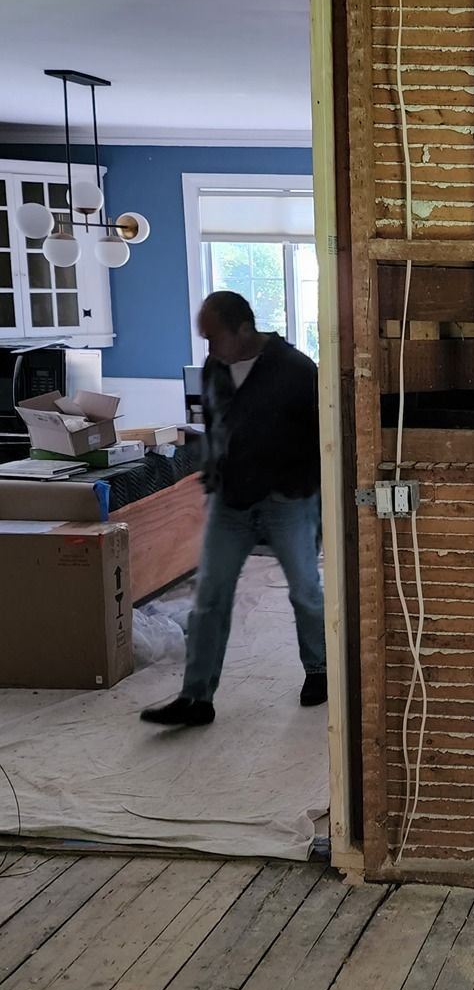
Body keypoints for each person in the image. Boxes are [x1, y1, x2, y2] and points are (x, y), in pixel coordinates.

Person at [141, 290, 327, 727]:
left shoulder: (297, 370)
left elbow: (323, 439)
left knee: (304, 589)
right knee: (210, 597)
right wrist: (212, 471)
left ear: (245, 329)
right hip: (231, 502)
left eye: (213, 337)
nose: (208, 348)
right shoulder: (214, 368)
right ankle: (196, 698)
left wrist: (311, 494)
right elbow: (214, 423)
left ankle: (319, 671)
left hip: (288, 499)